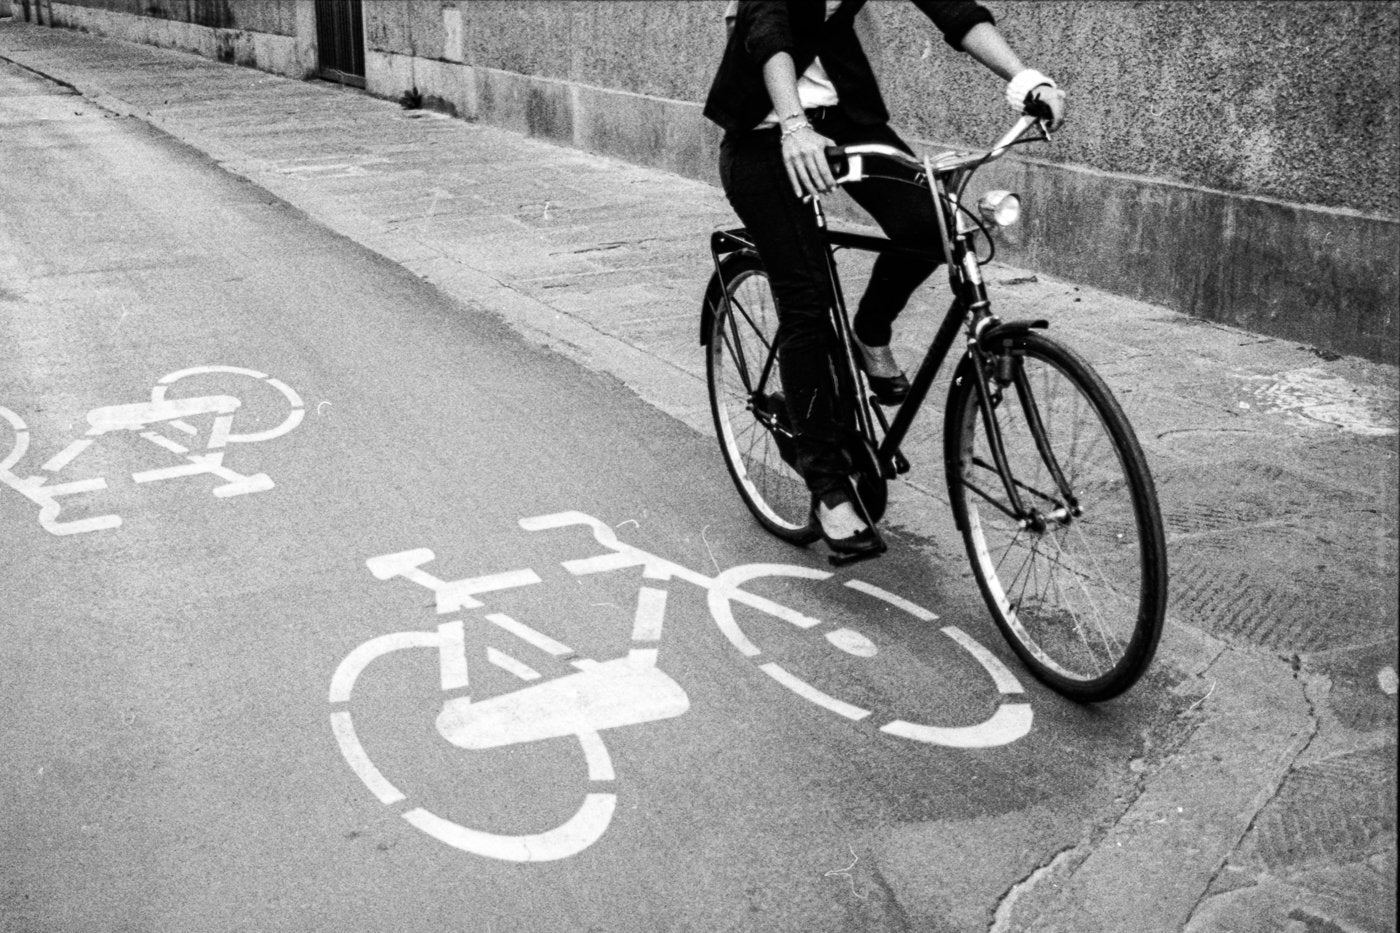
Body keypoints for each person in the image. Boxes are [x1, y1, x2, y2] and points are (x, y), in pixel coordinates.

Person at [704, 1, 1065, 557]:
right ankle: (826, 484)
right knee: (807, 303)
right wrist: (794, 126)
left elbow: (955, 11)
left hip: (847, 123)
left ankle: (870, 332)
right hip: (764, 135)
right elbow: (769, 27)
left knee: (935, 228)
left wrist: (1025, 77)